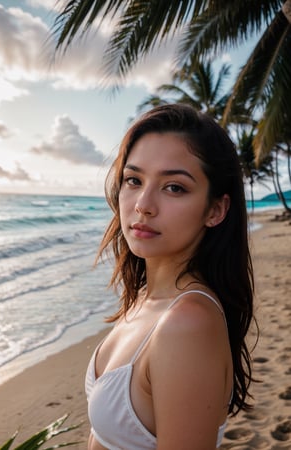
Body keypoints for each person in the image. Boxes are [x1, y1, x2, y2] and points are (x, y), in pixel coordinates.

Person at [85, 104, 255, 449]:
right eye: (134, 180)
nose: (143, 204)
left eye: (174, 187)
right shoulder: (147, 298)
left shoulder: (187, 324)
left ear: (215, 210)